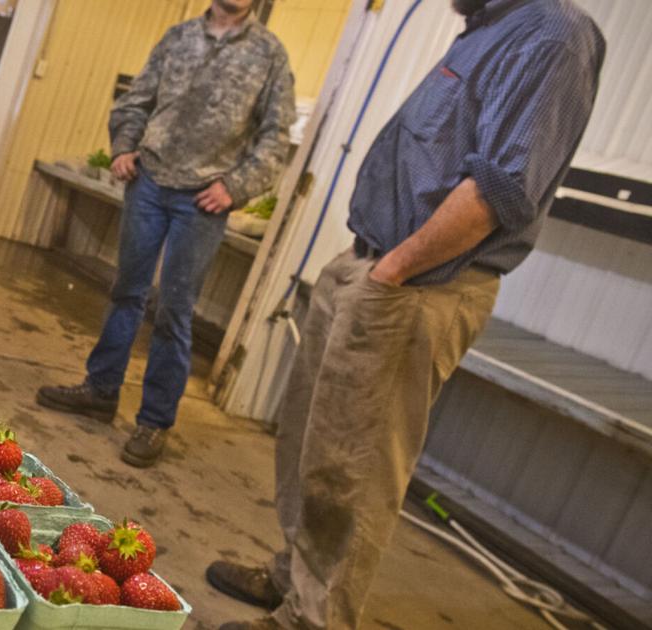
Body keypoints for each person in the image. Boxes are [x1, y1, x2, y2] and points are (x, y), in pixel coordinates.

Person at [206, 0, 606, 628]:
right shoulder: (486, 28)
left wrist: (394, 271)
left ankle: (313, 619)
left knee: (353, 473)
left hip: (418, 284)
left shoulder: (553, 32)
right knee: (313, 447)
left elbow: (502, 189)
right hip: (372, 264)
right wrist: (369, 264)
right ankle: (295, 581)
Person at [36, 0, 296, 468]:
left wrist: (234, 187)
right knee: (126, 292)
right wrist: (123, 148)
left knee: (174, 311)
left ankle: (155, 421)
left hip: (203, 200)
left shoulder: (269, 54)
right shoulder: (178, 38)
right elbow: (137, 101)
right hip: (149, 184)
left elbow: (276, 139)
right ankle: (100, 390)